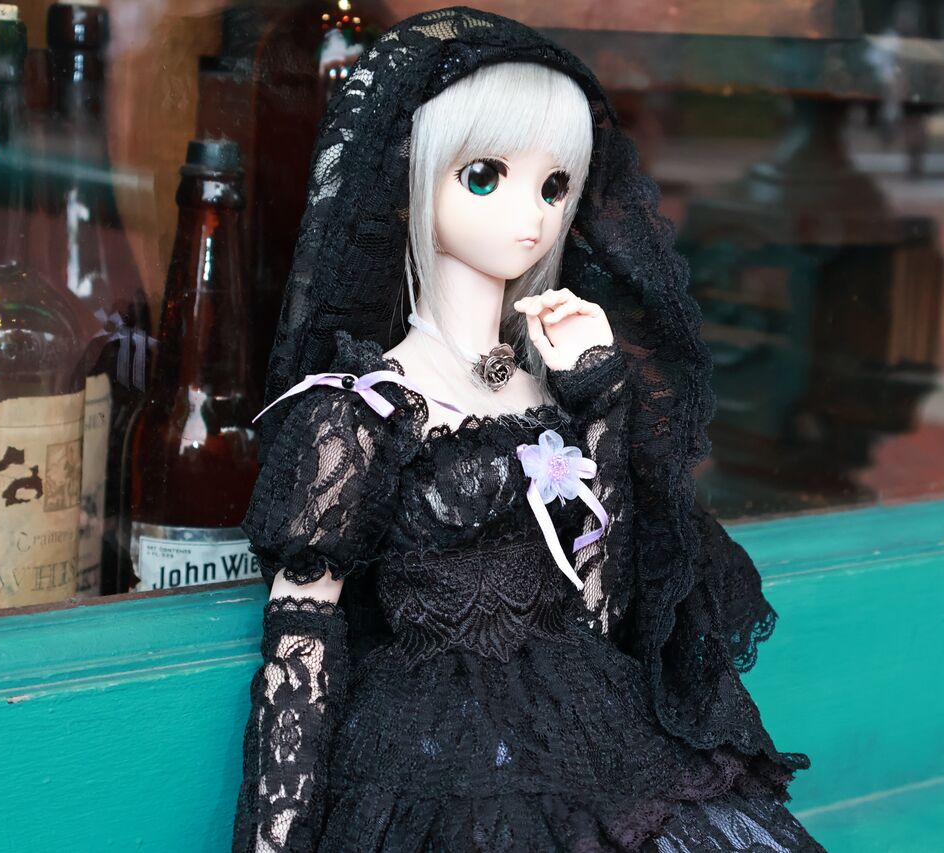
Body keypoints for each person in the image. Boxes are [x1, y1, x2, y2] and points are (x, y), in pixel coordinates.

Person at [231, 7, 825, 851]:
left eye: (554, 187)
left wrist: (602, 398)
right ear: (413, 177)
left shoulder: (554, 387)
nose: (534, 215)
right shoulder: (361, 409)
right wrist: (275, 839)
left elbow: (600, 609)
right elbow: (302, 643)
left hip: (587, 728)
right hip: (431, 756)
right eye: (486, 176)